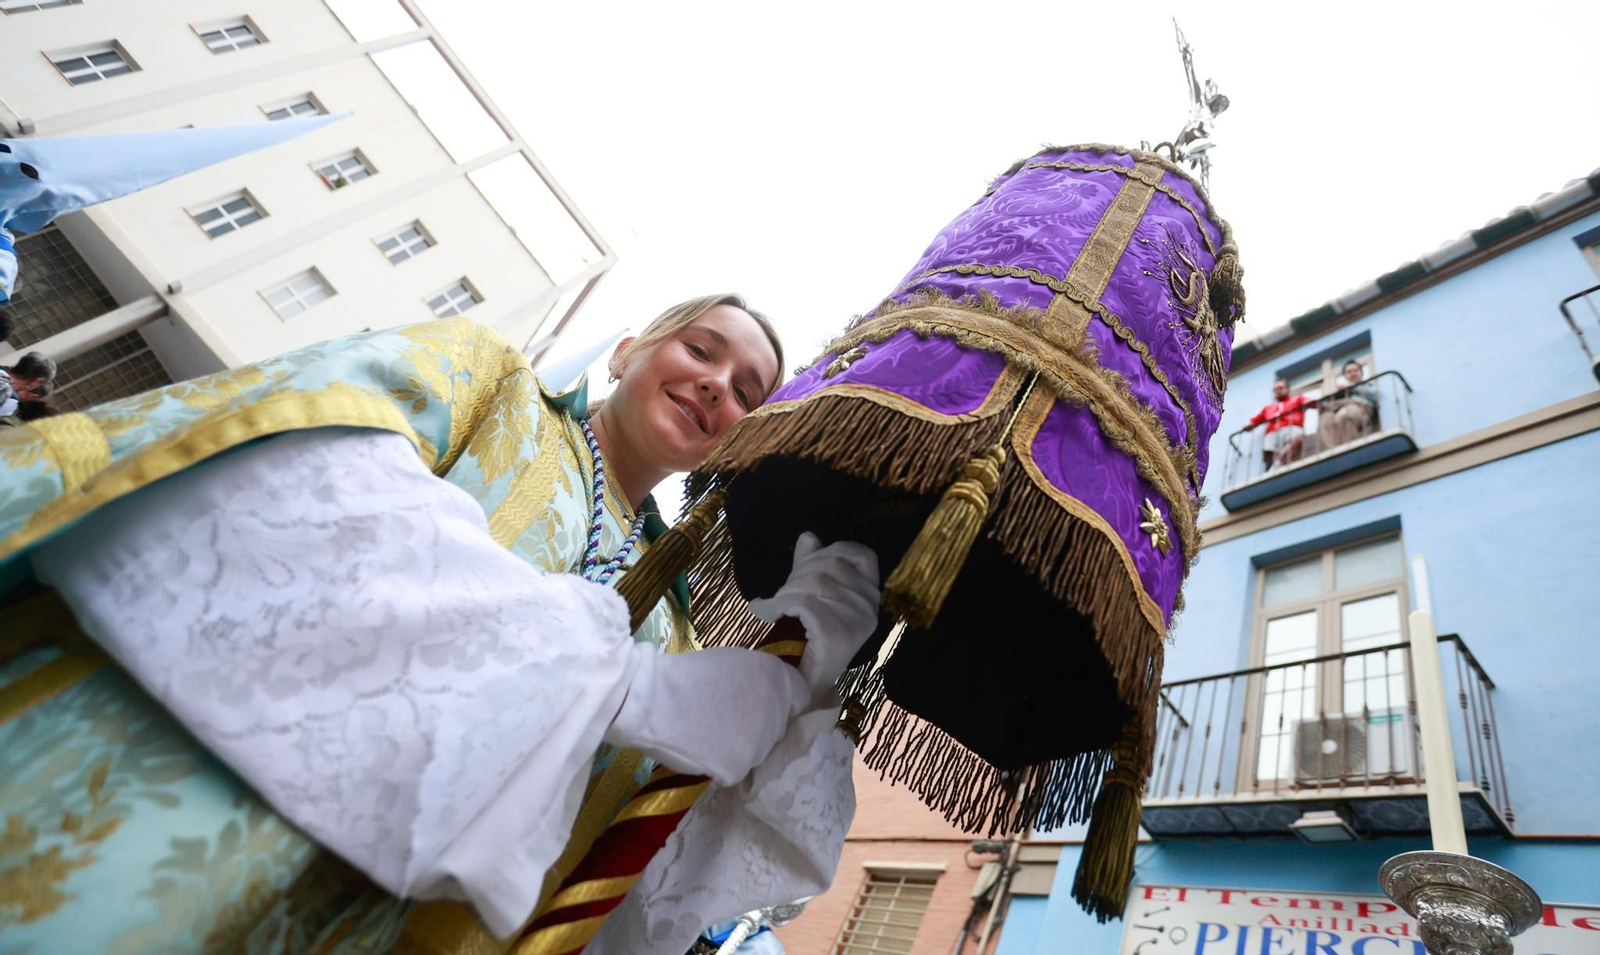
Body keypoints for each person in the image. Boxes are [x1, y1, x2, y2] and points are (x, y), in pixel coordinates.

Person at [0, 297, 880, 951]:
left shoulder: (676, 637)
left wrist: (798, 685)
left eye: (747, 393)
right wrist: (621, 688)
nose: (716, 385)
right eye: (701, 348)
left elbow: (627, 868)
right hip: (171, 786)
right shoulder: (483, 378)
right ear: (625, 353)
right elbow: (311, 481)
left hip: (364, 920)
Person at [1243, 377, 1311, 469]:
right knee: (1273, 453)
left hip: (1292, 429)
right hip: (1272, 434)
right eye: (1275, 390)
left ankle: (1278, 464)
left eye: (1281, 388)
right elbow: (1254, 420)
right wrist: (1248, 424)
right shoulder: (1268, 408)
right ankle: (1278, 467)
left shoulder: (1298, 399)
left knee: (1298, 440)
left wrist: (1310, 402)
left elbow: (1310, 402)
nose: (1278, 391)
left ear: (1288, 389)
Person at [1318, 359, 1378, 449]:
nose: (1352, 373)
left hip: (1362, 408)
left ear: (1361, 372)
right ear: (1345, 376)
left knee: (1344, 415)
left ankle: (1350, 448)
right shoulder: (1344, 390)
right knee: (1325, 419)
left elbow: (1374, 395)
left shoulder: (1368, 384)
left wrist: (1353, 387)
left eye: (1355, 370)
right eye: (1349, 372)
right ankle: (1335, 450)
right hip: (1344, 408)